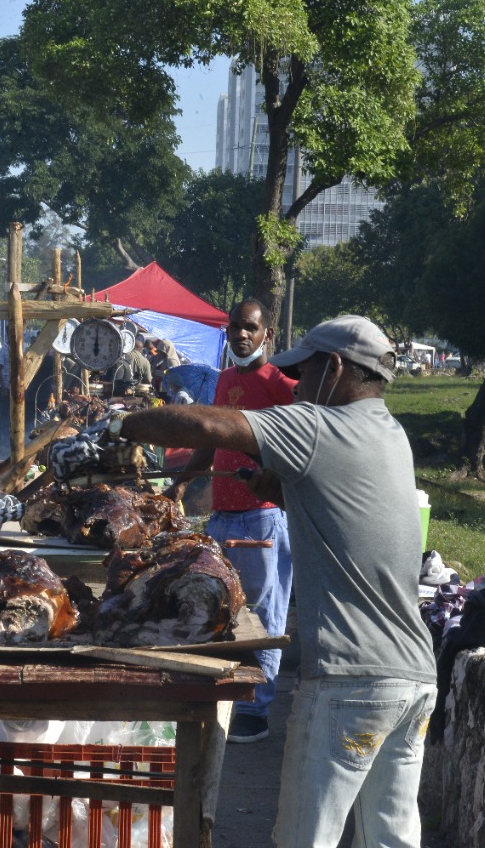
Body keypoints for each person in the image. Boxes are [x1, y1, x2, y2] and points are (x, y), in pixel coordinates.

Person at [117, 314, 435, 848]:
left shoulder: (319, 424)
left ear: (334, 369)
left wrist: (121, 426)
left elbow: (207, 427)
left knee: (303, 839)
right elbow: (347, 519)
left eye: (304, 375)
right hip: (413, 680)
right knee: (390, 841)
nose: (297, 388)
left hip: (349, 684)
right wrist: (285, 490)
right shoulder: (390, 434)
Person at [164, 299, 296, 743]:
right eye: (235, 327)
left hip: (261, 520)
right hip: (221, 517)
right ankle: (224, 694)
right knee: (223, 611)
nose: (241, 334)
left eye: (250, 328)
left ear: (266, 335)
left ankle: (257, 709)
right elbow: (209, 440)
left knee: (264, 616)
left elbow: (298, 442)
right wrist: (181, 485)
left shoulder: (280, 382)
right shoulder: (223, 381)